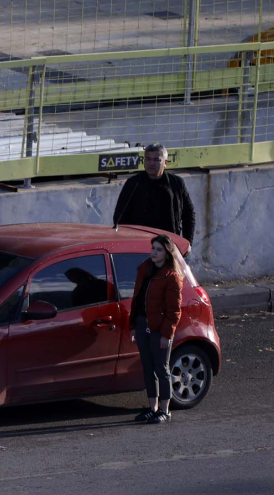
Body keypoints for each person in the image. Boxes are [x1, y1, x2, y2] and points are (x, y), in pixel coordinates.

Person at [129, 234, 184, 425]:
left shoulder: (172, 277)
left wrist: (167, 334)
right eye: (153, 248)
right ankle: (152, 408)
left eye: (159, 249)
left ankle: (164, 410)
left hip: (159, 328)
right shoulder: (146, 269)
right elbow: (137, 298)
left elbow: (174, 311)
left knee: (162, 369)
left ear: (167, 253)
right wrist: (134, 326)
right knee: (147, 368)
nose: (154, 252)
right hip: (143, 324)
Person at [113, 143, 195, 243]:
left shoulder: (176, 183)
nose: (151, 163)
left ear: (165, 163)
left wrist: (187, 242)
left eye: (156, 160)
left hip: (168, 244)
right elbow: (120, 217)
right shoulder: (133, 184)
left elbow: (189, 214)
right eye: (148, 159)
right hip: (140, 243)